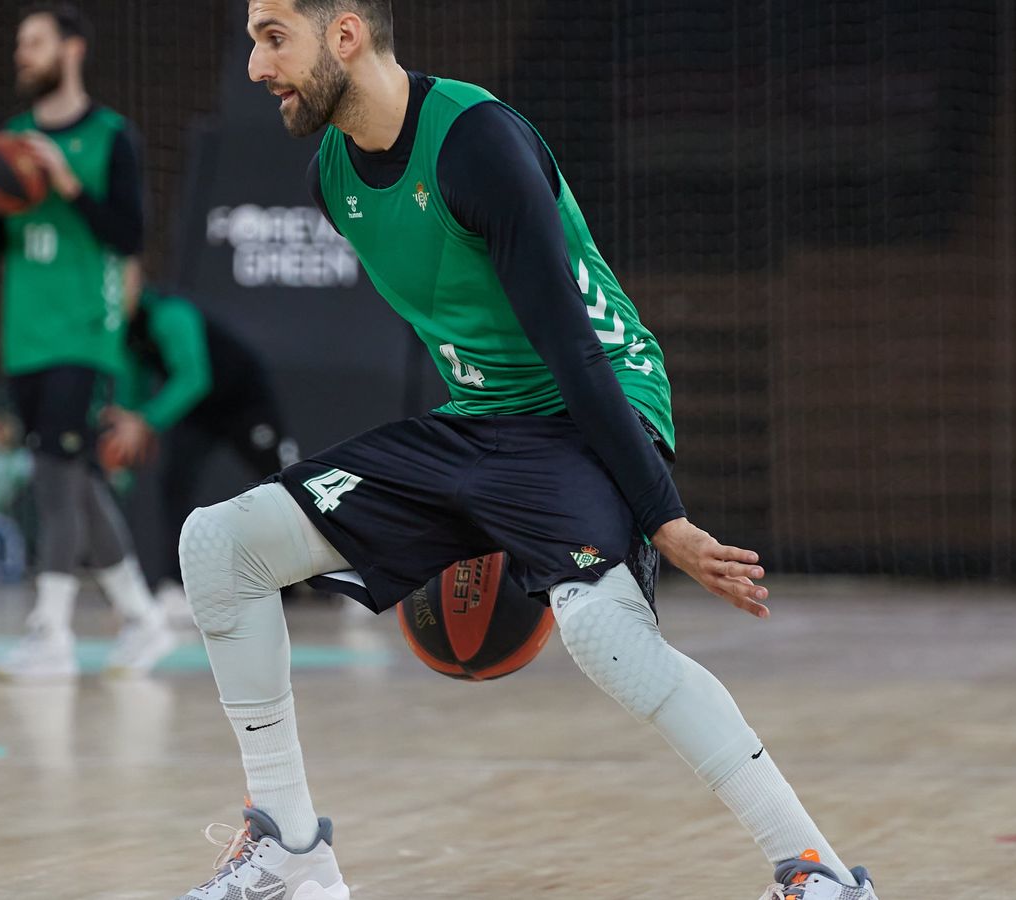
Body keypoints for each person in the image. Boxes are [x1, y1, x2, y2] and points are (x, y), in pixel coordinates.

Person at [168, 3, 883, 899]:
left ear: (344, 35)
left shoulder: (477, 142)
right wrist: (456, 495)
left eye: (273, 37)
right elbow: (460, 328)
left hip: (595, 398)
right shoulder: (331, 177)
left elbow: (573, 349)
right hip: (483, 417)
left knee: (604, 637)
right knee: (218, 546)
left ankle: (815, 872)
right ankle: (290, 850)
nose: (254, 65)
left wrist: (662, 516)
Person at [0, 3, 172, 680]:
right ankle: (142, 618)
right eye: (20, 43)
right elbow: (12, 239)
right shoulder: (8, 142)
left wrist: (69, 182)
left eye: (35, 42)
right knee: (74, 479)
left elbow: (127, 236)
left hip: (86, 334)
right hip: (26, 334)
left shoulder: (112, 137)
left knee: (55, 476)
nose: (22, 54)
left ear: (71, 49)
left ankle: (50, 633)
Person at [101, 288, 299, 616]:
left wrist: (147, 421)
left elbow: (194, 378)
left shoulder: (170, 315)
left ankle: (340, 576)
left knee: (288, 485)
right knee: (175, 486)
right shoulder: (125, 333)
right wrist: (125, 436)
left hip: (244, 400)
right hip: (199, 412)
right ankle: (174, 586)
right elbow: (131, 392)